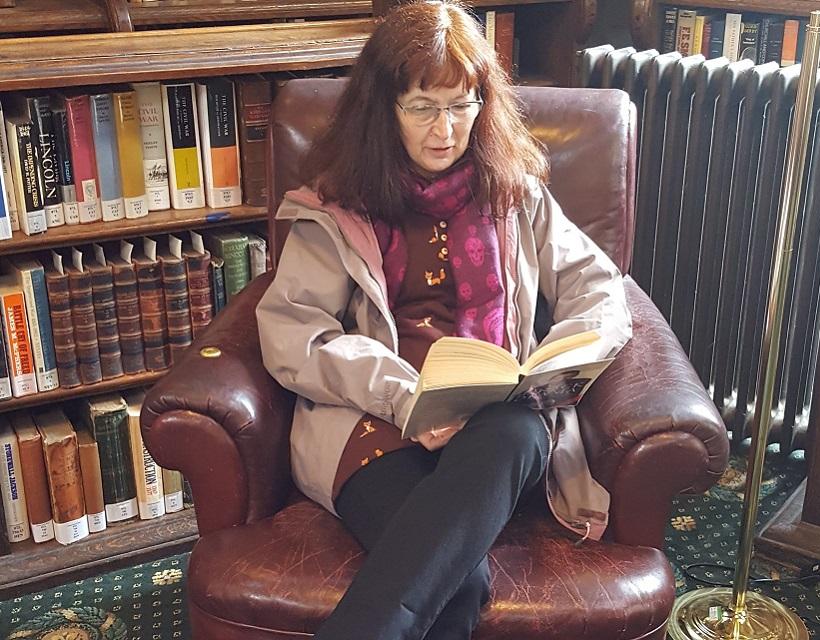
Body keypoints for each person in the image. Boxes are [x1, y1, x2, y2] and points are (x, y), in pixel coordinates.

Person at [255, 1, 632, 638]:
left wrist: (563, 357)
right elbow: (293, 333)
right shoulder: (338, 207)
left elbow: (599, 288)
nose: (446, 129)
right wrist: (405, 397)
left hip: (494, 427)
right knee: (462, 588)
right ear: (384, 109)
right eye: (423, 107)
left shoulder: (516, 194)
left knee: (517, 430)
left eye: (463, 105)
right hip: (377, 423)